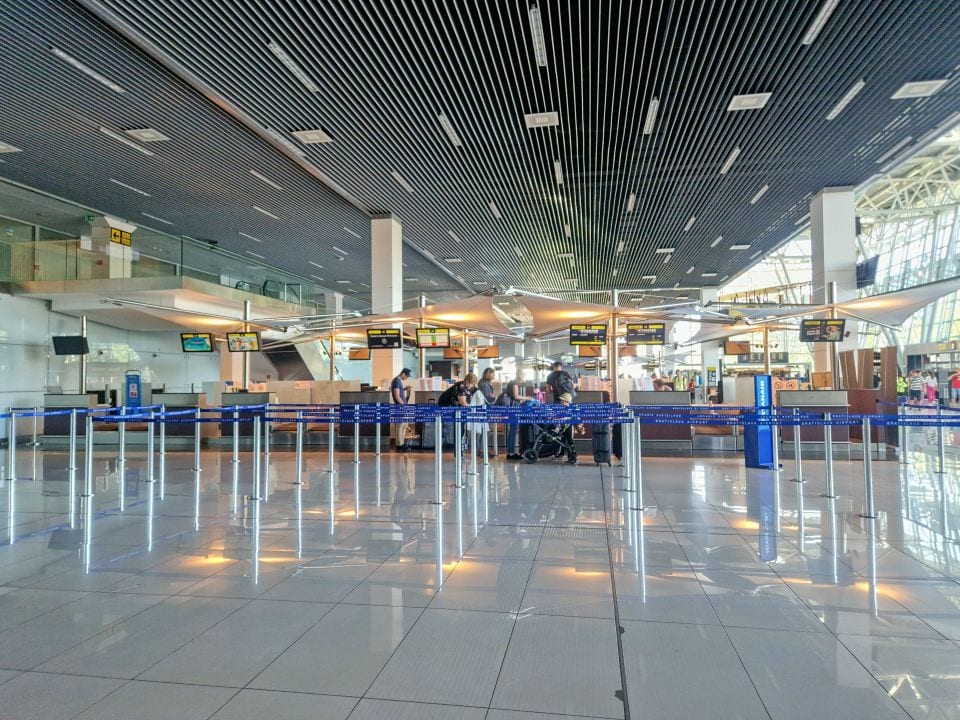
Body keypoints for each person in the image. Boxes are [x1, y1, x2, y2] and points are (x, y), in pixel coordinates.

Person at [438, 373, 477, 449]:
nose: (471, 386)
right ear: (467, 381)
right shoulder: (461, 387)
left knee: (460, 428)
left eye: (472, 384)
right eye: (470, 383)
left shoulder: (464, 386)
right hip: (448, 407)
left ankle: (458, 450)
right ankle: (458, 450)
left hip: (454, 408)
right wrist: (473, 409)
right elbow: (462, 402)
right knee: (459, 429)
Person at [504, 369, 525, 460]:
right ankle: (511, 453)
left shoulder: (511, 383)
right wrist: (527, 398)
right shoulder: (515, 383)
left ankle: (510, 452)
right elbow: (516, 396)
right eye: (523, 375)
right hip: (514, 408)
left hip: (511, 407)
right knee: (514, 429)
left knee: (512, 430)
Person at [390, 368, 412, 451]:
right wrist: (403, 405)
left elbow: (399, 392)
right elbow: (396, 395)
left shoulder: (398, 381)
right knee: (400, 425)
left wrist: (405, 389)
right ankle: (399, 445)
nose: (406, 378)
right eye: (407, 376)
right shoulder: (396, 381)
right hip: (400, 407)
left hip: (402, 406)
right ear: (403, 374)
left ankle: (402, 443)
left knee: (404, 425)